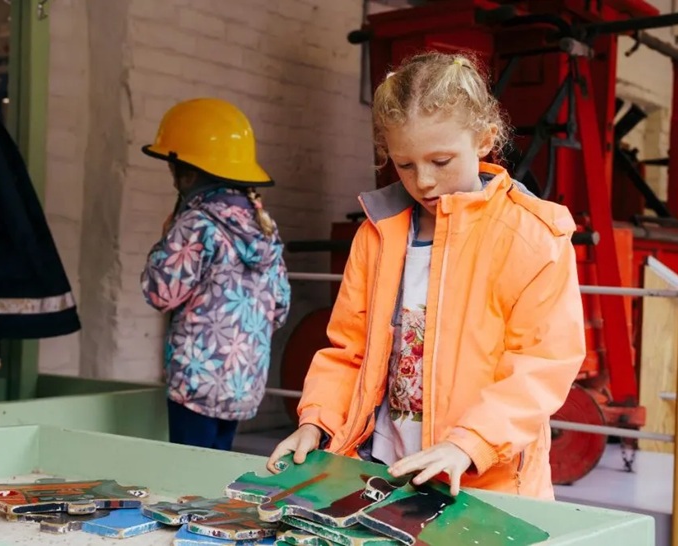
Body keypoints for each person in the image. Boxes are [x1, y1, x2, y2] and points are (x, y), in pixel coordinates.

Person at [267, 52, 585, 500]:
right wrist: (316, 421)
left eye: (441, 161)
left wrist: (467, 444)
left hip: (483, 480)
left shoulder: (533, 236)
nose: (424, 182)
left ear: (484, 139)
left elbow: (541, 365)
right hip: (379, 468)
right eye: (405, 165)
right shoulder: (376, 234)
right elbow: (348, 349)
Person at [140, 98, 291, 451]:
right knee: (213, 476)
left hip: (197, 381)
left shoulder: (196, 224)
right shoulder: (264, 228)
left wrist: (166, 237)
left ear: (188, 173)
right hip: (244, 381)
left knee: (187, 480)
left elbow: (160, 292)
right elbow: (280, 308)